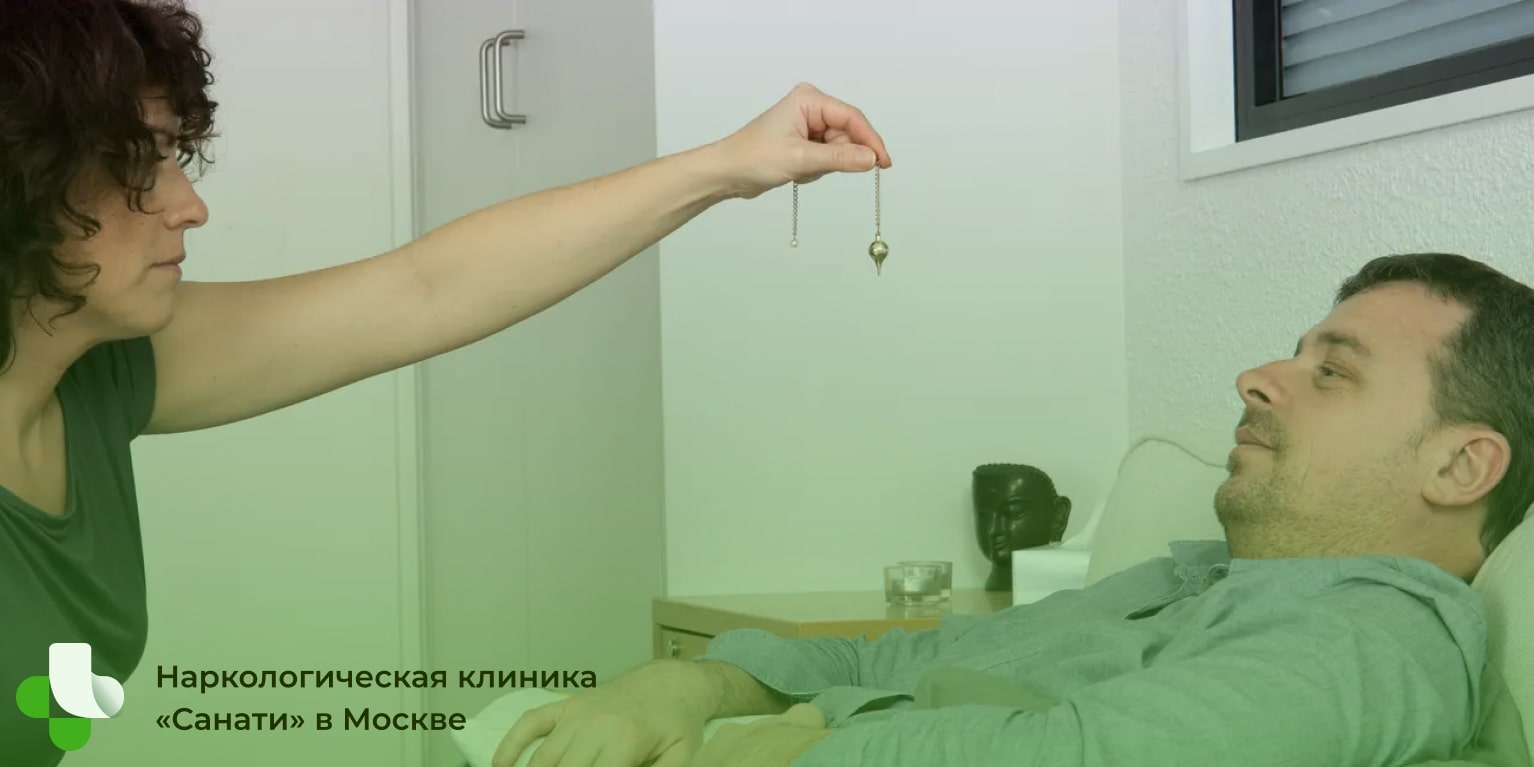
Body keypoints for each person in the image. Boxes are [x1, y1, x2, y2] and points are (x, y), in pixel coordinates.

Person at [0, 0, 890, 763]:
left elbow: (423, 288)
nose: (189, 205)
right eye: (144, 160)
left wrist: (727, 165)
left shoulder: (98, 374)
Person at [492, 252, 1534, 767]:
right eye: (1293, 352)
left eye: (1332, 371)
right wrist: (687, 680)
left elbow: (1078, 759)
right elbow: (891, 658)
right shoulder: (1178, 581)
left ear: (1461, 465)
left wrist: (784, 747)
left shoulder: (1373, 629)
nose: (1257, 376)